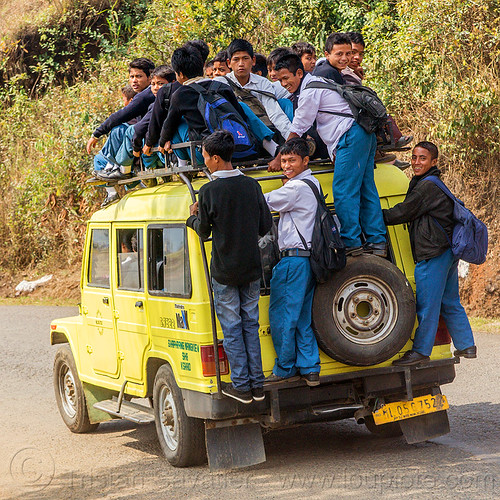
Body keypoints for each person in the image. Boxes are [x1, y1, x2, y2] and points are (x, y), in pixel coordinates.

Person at [270, 53, 387, 256]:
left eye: (286, 78)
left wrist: (279, 157)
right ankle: (377, 241)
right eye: (280, 80)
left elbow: (298, 128)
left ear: (299, 73)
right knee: (366, 188)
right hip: (362, 133)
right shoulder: (318, 81)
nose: (283, 84)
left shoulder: (309, 92)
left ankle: (351, 241)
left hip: (349, 136)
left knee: (343, 190)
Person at [186, 130, 273, 403]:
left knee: (232, 328)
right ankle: (258, 385)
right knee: (250, 324)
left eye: (204, 158)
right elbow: (265, 226)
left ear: (215, 158)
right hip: (251, 268)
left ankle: (242, 387)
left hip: (224, 270)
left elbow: (203, 230)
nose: (204, 163)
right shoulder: (252, 186)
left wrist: (192, 217)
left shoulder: (208, 191)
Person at [383, 142, 476, 365]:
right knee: (450, 301)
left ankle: (421, 352)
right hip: (446, 252)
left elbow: (402, 212)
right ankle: (467, 345)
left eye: (422, 158)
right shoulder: (431, 183)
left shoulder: (427, 187)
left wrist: (372, 215)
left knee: (427, 305)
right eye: (414, 157)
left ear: (434, 162)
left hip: (433, 253)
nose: (416, 162)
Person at [264, 138, 321, 386]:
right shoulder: (313, 182)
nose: (286, 165)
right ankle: (309, 368)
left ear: (305, 161)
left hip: (293, 261)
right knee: (302, 318)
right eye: (284, 160)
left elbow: (263, 202)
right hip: (309, 261)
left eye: (292, 161)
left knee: (282, 317)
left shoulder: (295, 189)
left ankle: (285, 368)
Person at [87, 57, 156, 206]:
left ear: (150, 77)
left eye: (139, 76)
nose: (134, 81)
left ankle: (118, 170)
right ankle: (117, 172)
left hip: (147, 143)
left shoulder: (146, 96)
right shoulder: (145, 95)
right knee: (119, 132)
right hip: (143, 140)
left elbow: (120, 115)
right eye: (132, 77)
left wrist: (97, 133)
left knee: (120, 130)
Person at [214, 39, 293, 147]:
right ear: (229, 63)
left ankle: (290, 142)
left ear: (253, 60)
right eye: (236, 60)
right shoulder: (220, 84)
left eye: (245, 58)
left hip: (267, 128)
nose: (241, 64)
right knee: (242, 107)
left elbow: (274, 112)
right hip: (239, 133)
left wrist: (291, 137)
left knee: (285, 103)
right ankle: (273, 149)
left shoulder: (262, 82)